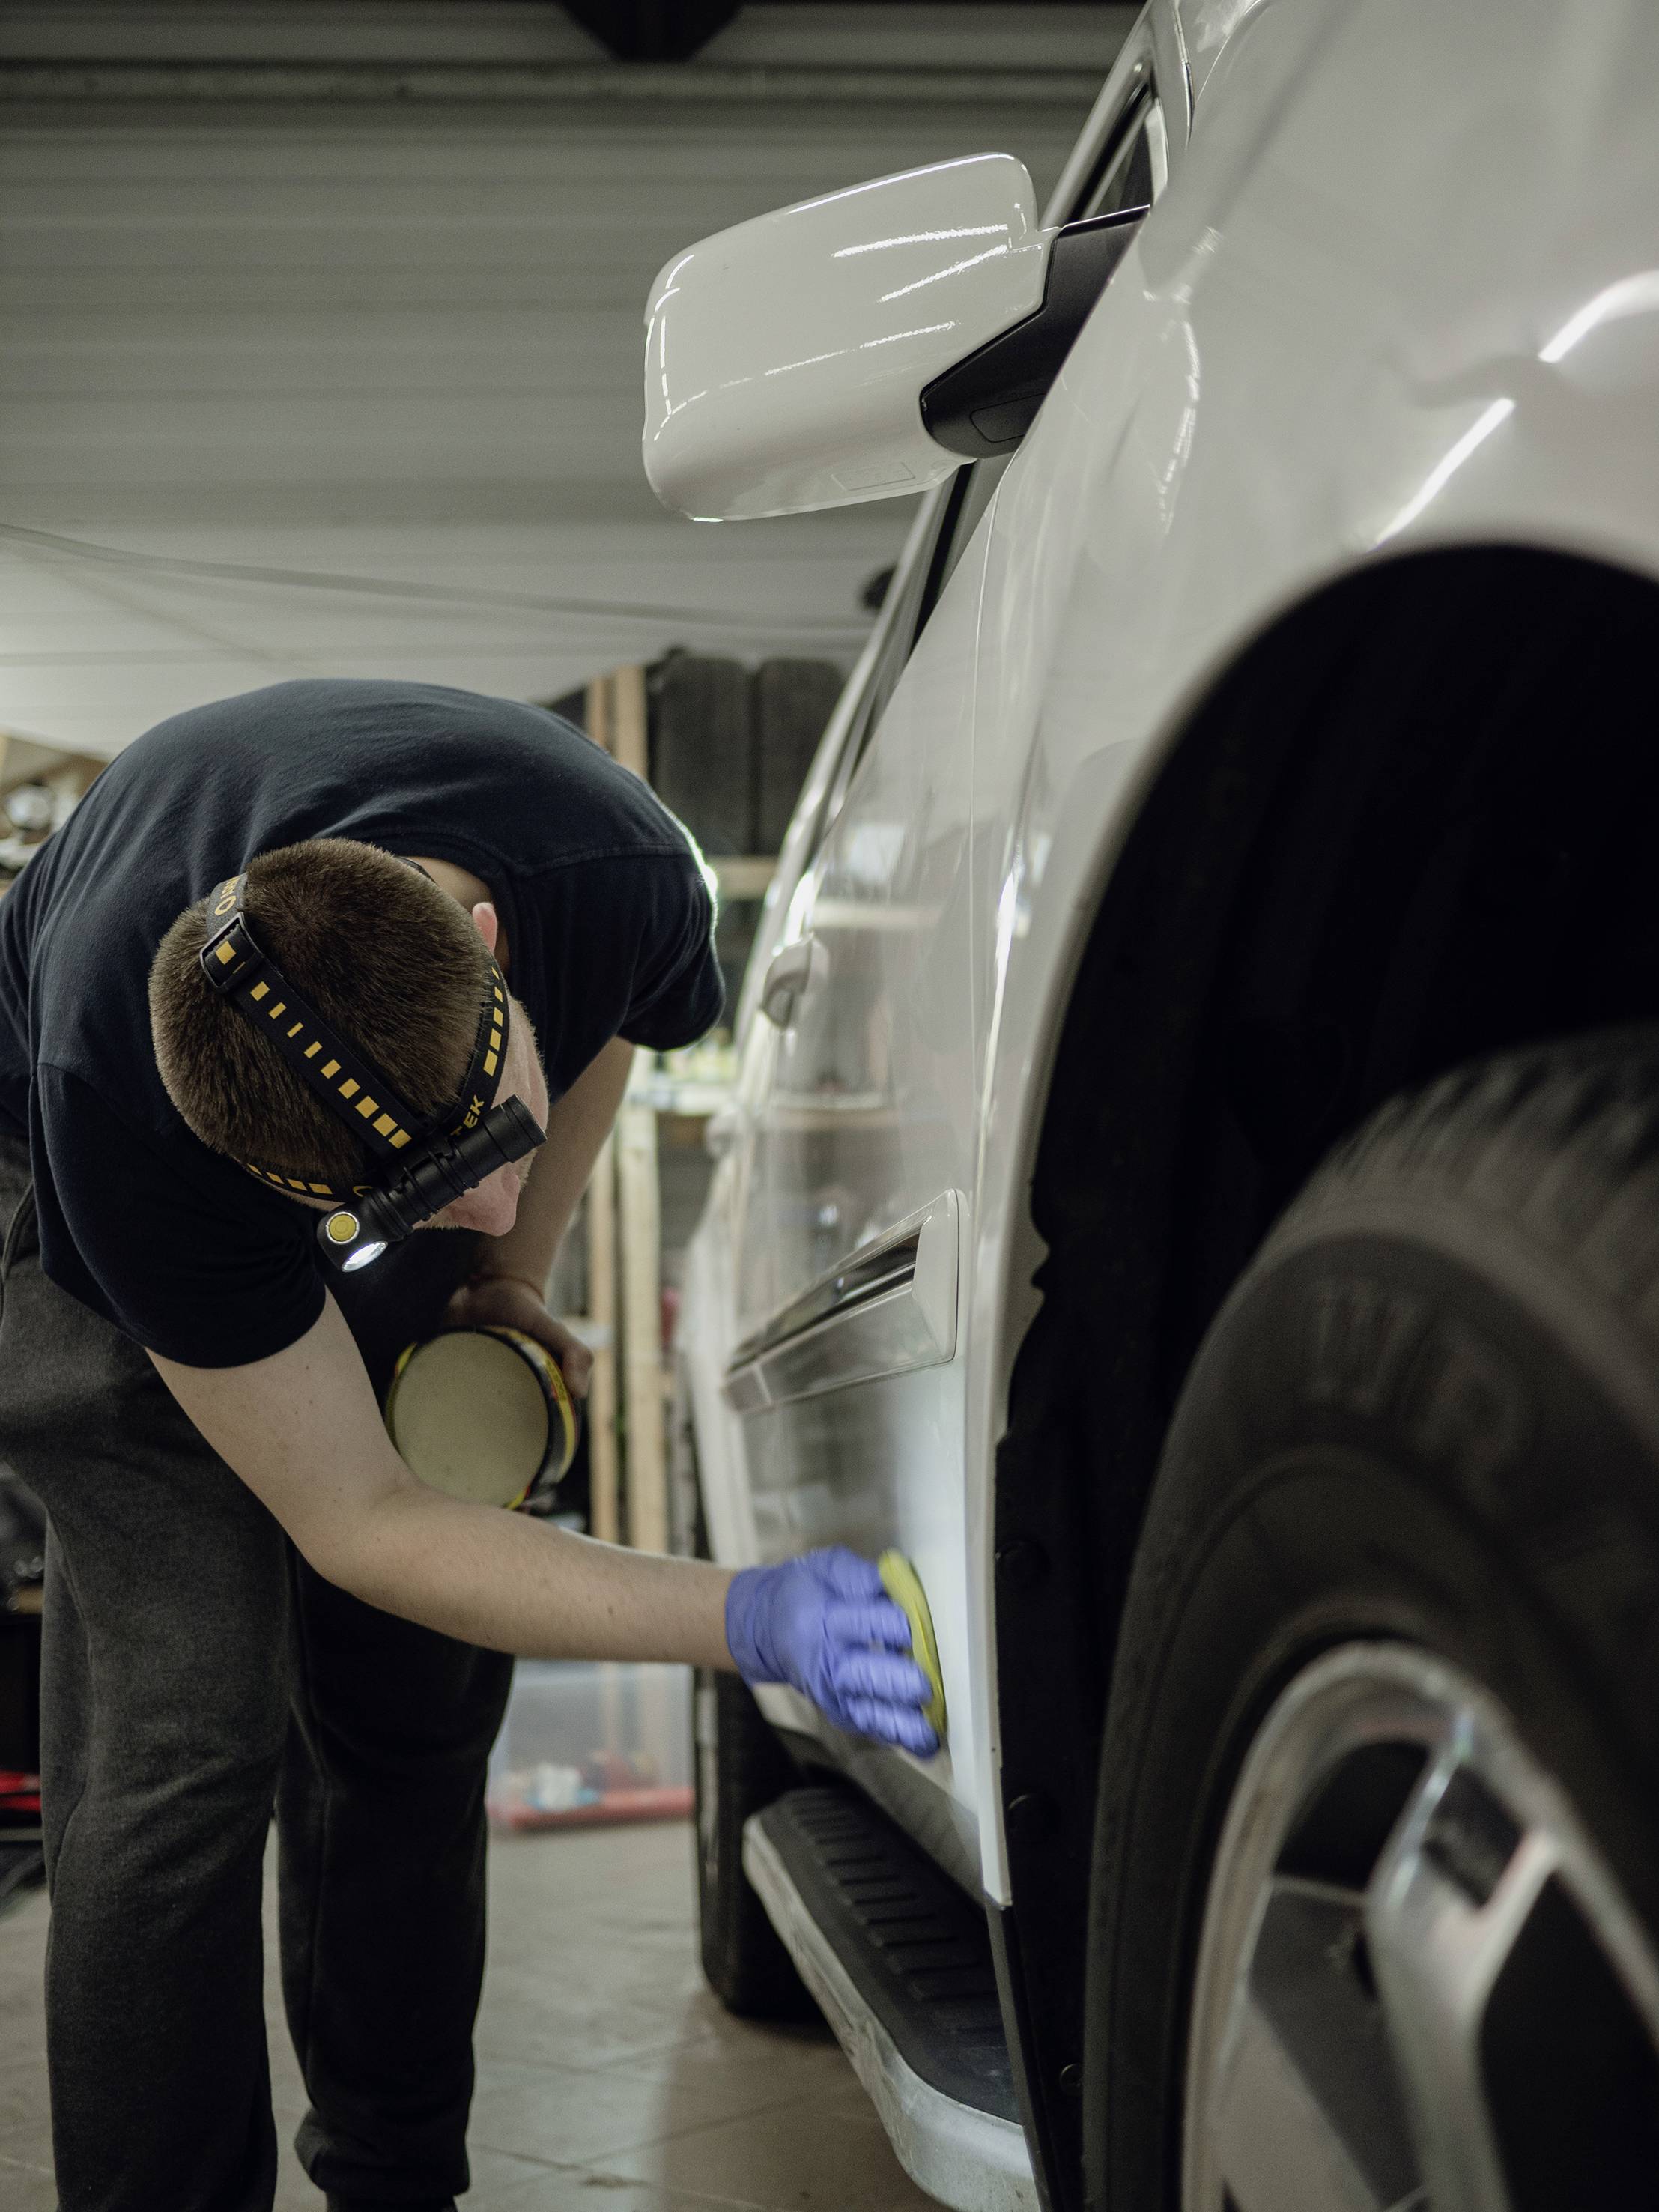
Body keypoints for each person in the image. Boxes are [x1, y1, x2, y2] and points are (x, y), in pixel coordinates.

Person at [0, 678, 935, 2212]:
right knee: (184, 1739)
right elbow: (356, 1517)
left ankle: (396, 2182)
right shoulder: (128, 1118)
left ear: (491, 949)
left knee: (412, 1707)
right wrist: (738, 1615)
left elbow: (617, 1036)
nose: (489, 1196)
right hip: (61, 1170)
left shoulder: (610, 872)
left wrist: (508, 1272)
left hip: (357, 1116)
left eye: (491, 1145)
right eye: (423, 1198)